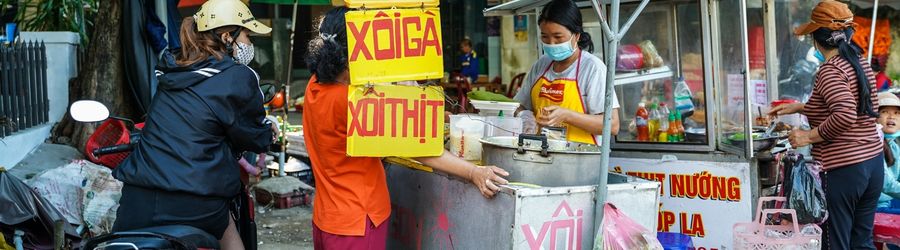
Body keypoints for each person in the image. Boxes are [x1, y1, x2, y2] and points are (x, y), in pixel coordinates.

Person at [303, 7, 509, 250]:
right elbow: (418, 147)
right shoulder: (351, 103)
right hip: (358, 220)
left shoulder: (314, 87)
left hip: (327, 219)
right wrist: (474, 173)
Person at [111, 1, 275, 249]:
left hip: (138, 198)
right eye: (247, 35)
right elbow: (252, 136)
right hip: (197, 199)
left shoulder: (172, 70)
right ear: (227, 37)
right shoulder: (238, 76)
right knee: (230, 236)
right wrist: (267, 133)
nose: (250, 43)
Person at [769, 1, 884, 249]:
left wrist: (807, 137)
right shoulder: (859, 63)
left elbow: (844, 115)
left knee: (835, 243)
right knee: (861, 242)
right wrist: (801, 107)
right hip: (872, 164)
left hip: (845, 169)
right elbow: (856, 104)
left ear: (816, 38)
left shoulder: (830, 70)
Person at [514, 0, 620, 144]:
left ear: (576, 36)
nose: (551, 43)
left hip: (581, 159)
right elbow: (518, 106)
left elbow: (613, 125)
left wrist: (567, 116)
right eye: (545, 37)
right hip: (540, 155)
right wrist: (525, 116)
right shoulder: (541, 65)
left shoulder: (592, 68)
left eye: (558, 37)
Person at [878, 92, 900, 216]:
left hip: (889, 202)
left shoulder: (895, 144)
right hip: (874, 207)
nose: (892, 117)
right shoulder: (872, 143)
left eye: (897, 113)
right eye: (885, 112)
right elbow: (886, 184)